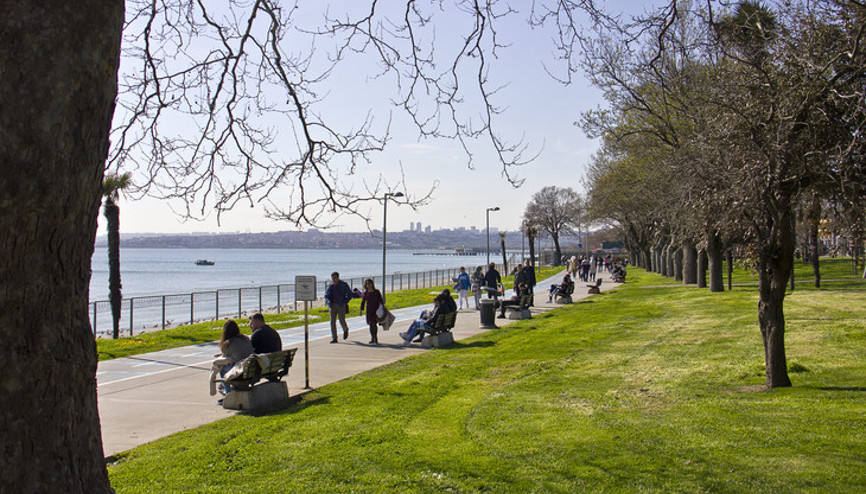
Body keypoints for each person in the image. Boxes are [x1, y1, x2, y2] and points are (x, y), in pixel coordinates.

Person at [211, 320, 254, 398]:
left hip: (240, 372)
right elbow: (238, 353)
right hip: (252, 369)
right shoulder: (245, 338)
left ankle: (228, 394)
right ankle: (229, 393)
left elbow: (226, 359)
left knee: (222, 368)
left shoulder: (228, 343)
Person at [324, 271, 353, 343]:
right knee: (332, 321)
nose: (334, 279)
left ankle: (345, 329)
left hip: (341, 305)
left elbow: (349, 294)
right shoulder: (331, 286)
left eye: (335, 278)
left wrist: (345, 302)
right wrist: (328, 302)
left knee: (341, 320)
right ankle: (334, 338)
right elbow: (326, 295)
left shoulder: (344, 285)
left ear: (338, 277)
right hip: (332, 305)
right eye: (332, 278)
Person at [359, 278, 383, 345]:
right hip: (369, 311)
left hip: (376, 310)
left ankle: (375, 338)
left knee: (373, 324)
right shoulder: (366, 293)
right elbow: (363, 302)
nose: (368, 285)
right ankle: (372, 338)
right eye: (367, 284)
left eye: (369, 283)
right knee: (370, 325)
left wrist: (382, 308)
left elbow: (381, 300)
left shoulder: (376, 292)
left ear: (372, 284)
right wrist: (361, 310)